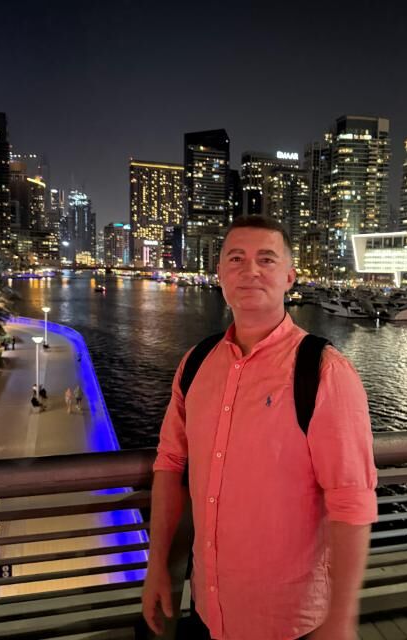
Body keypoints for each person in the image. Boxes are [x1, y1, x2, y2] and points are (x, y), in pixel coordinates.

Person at [142, 216, 378, 640]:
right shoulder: (196, 364)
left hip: (291, 622)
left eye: (266, 259)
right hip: (208, 609)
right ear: (220, 273)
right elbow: (170, 464)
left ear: (289, 277)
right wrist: (157, 564)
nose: (249, 270)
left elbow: (351, 500)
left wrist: (341, 619)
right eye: (236, 259)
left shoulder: (323, 372)